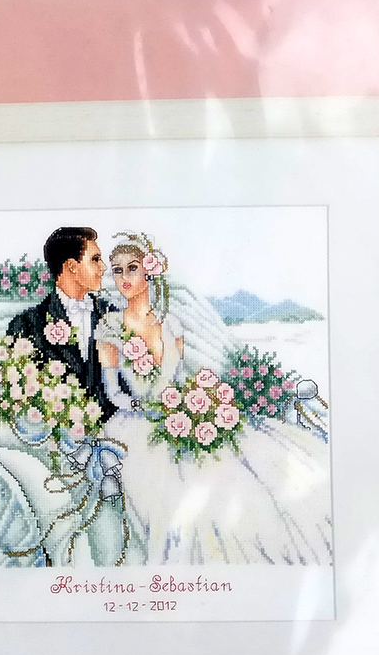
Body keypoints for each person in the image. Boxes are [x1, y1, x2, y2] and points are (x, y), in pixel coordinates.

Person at [97, 233, 332, 566]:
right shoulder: (109, 327)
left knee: (233, 476)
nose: (124, 278)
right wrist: (144, 408)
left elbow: (179, 378)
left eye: (132, 268)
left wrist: (193, 403)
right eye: (118, 270)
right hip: (134, 421)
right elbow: (113, 392)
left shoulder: (171, 324)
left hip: (177, 413)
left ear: (148, 272)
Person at [7, 226, 115, 425]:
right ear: (72, 266)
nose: (103, 267)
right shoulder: (26, 326)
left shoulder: (113, 315)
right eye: (95, 259)